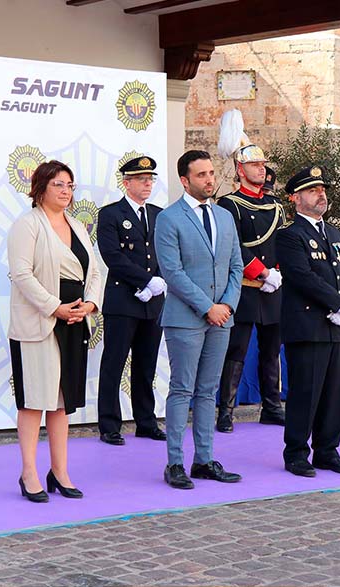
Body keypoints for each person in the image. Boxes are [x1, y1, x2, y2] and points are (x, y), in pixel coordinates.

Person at [7, 160, 102, 502]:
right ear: (41, 188)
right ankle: (29, 472)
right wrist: (54, 307)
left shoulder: (78, 226)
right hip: (41, 322)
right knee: (35, 400)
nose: (66, 191)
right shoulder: (27, 225)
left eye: (70, 185)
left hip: (75, 320)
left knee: (62, 403)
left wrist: (89, 305)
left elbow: (94, 272)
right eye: (59, 185)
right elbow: (21, 274)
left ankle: (59, 470)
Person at [154, 150, 244, 489]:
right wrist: (208, 306)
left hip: (222, 318)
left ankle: (204, 459)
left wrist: (228, 305)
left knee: (208, 392)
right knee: (182, 389)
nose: (209, 179)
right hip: (185, 319)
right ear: (184, 180)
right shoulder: (169, 218)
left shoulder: (224, 217)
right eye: (201, 175)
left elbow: (236, 266)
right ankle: (175, 462)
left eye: (211, 173)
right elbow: (172, 272)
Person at [276, 165, 340, 478]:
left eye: (322, 189)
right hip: (308, 327)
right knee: (306, 392)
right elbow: (301, 276)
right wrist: (337, 303)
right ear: (295, 198)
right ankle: (296, 452)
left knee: (334, 393)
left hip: (336, 326)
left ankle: (327, 450)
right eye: (312, 190)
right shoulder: (290, 235)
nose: (320, 194)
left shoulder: (335, 233)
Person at [96, 155, 167, 446]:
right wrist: (144, 281)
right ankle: (109, 425)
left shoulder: (160, 213)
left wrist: (158, 281)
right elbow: (112, 255)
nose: (147, 183)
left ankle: (146, 421)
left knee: (146, 364)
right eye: (141, 179)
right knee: (114, 363)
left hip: (153, 302)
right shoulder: (111, 214)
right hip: (124, 299)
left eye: (150, 179)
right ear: (127, 183)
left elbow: (166, 251)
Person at [215, 144, 286, 432]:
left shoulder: (276, 205)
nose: (261, 168)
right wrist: (262, 272)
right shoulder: (229, 204)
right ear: (240, 170)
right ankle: (226, 411)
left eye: (263, 163)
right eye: (254, 164)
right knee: (236, 351)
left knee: (271, 351)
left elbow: (281, 244)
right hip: (244, 287)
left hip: (272, 288)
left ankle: (271, 406)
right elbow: (233, 247)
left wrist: (277, 275)